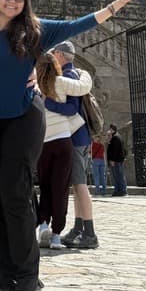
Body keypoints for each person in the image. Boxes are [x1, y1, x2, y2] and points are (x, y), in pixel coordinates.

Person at [0, 0, 137, 291]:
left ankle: (28, 282)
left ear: (26, 1)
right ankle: (5, 285)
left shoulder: (35, 30)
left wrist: (110, 8)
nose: (12, 0)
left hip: (23, 119)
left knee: (16, 201)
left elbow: (77, 25)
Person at [35, 52, 92, 250]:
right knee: (60, 189)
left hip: (43, 143)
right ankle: (57, 236)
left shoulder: (36, 86)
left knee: (45, 187)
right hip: (63, 142)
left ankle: (43, 224)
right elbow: (84, 86)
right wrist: (83, 72)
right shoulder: (61, 82)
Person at [50, 42, 98, 249]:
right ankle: (78, 228)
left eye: (54, 54)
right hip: (79, 138)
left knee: (80, 186)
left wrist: (47, 103)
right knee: (77, 187)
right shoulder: (75, 74)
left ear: (60, 55)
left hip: (77, 138)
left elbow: (71, 109)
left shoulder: (69, 77)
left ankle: (90, 232)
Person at [106, 123, 128, 196]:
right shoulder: (118, 136)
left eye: (110, 129)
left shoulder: (115, 138)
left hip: (116, 160)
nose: (109, 130)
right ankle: (121, 190)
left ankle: (120, 190)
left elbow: (114, 150)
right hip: (119, 159)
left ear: (112, 130)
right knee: (119, 175)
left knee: (117, 176)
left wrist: (112, 160)